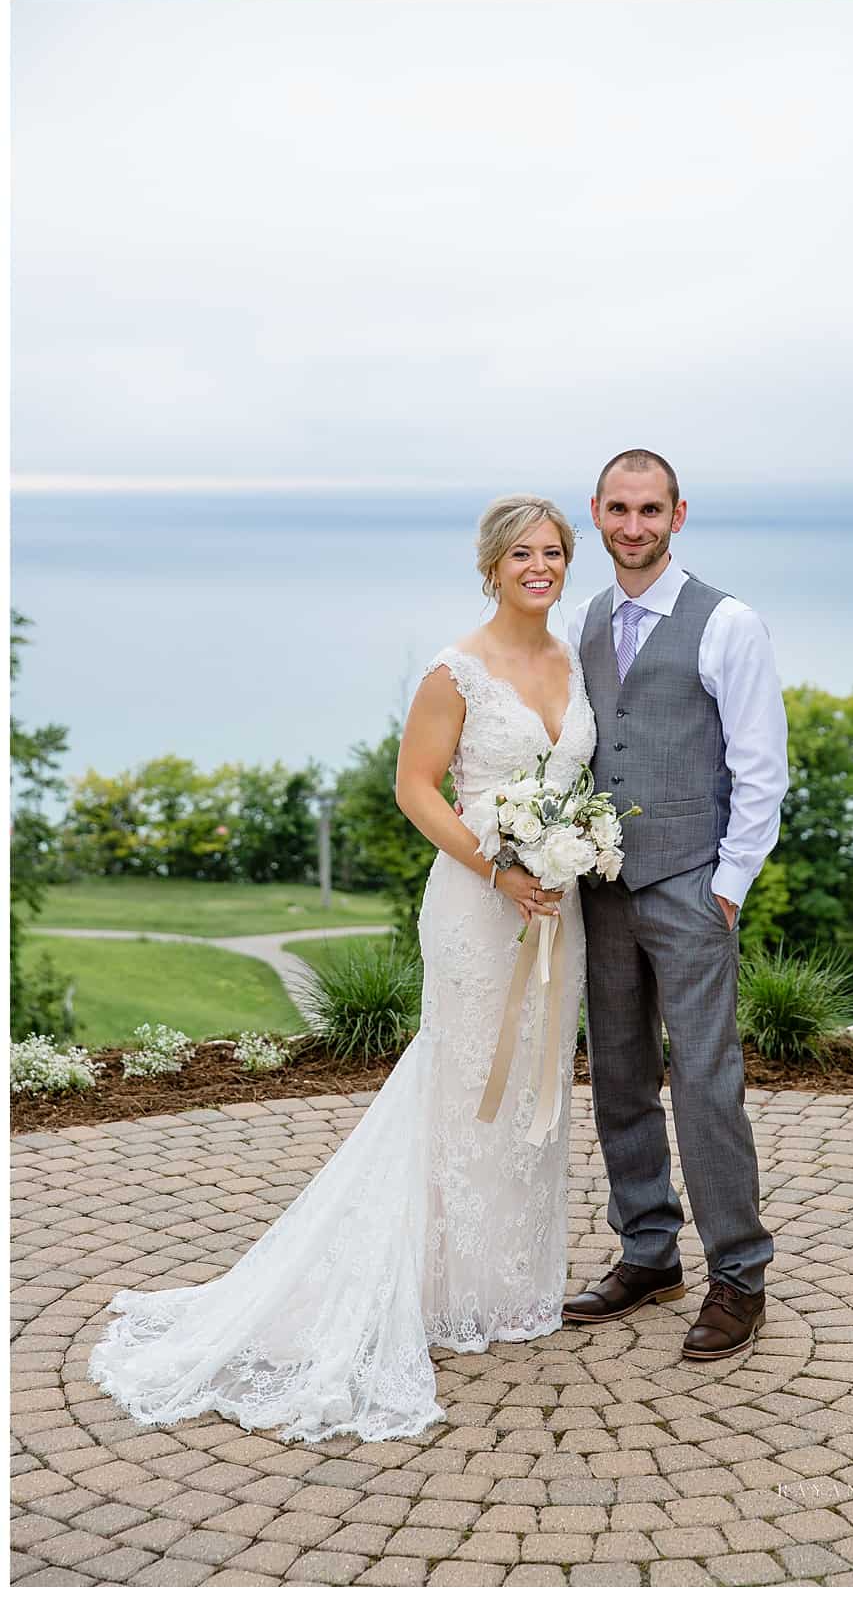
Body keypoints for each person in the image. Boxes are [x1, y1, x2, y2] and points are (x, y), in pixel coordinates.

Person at [87, 494, 594, 1443]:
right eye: (523, 553)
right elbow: (414, 788)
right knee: (461, 1081)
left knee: (534, 1080)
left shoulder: (576, 661)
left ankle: (505, 1288)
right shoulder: (456, 671)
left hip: (558, 915)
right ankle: (428, 1288)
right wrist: (501, 867)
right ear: (491, 565)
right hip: (478, 906)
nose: (541, 567)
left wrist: (568, 857)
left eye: (555, 553)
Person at [562, 448, 789, 1359]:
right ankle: (649, 1251)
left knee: (704, 1085)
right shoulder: (587, 616)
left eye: (650, 509)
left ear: (678, 515)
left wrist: (727, 889)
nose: (633, 524)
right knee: (618, 1077)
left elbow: (761, 769)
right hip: (603, 887)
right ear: (596, 513)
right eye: (618, 508)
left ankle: (739, 1274)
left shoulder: (728, 621)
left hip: (694, 885)